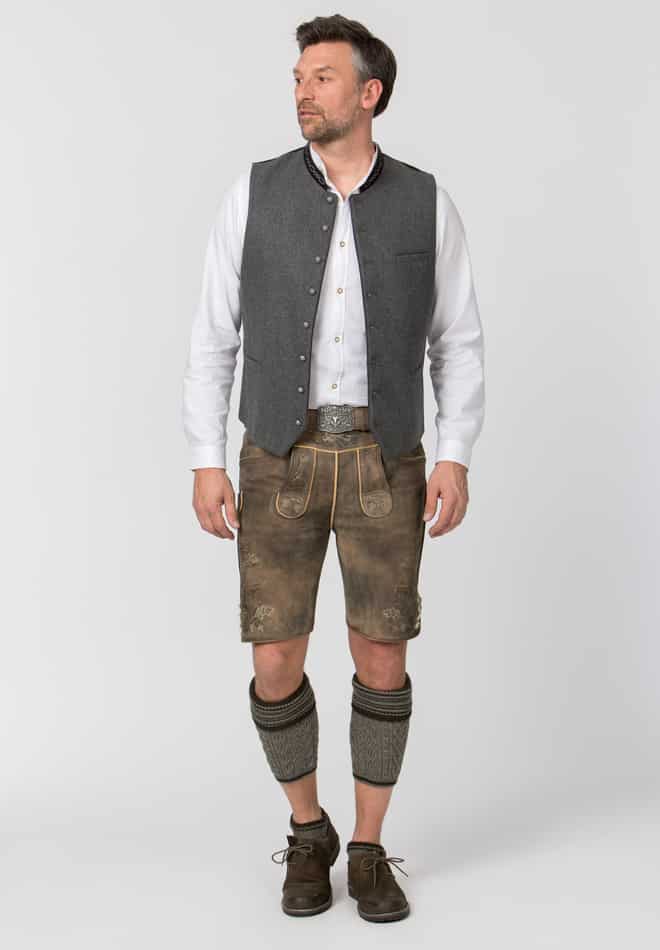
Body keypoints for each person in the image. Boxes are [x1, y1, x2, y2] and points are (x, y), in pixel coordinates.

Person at [182, 13, 485, 923]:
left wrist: (456, 453)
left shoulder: (427, 201)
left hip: (387, 459)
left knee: (381, 655)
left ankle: (368, 847)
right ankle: (308, 829)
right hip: (278, 455)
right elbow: (213, 335)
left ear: (369, 92)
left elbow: (458, 342)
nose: (302, 91)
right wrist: (205, 458)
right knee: (275, 655)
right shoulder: (254, 192)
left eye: (321, 77)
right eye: (299, 77)